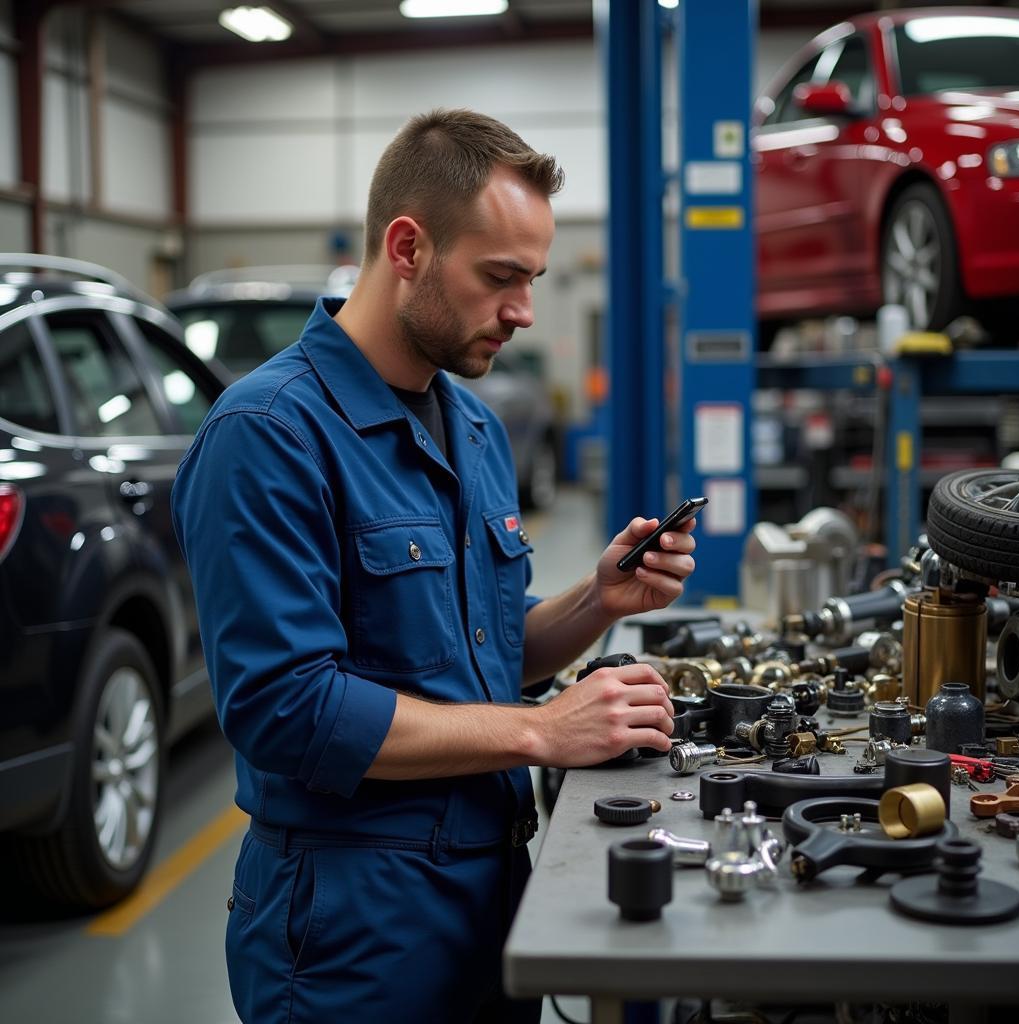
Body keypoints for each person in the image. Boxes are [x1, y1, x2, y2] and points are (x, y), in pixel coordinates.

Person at [171, 108, 697, 1024]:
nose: (524, 311)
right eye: (500, 277)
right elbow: (286, 710)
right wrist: (541, 733)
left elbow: (479, 652)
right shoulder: (268, 436)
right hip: (350, 928)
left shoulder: (474, 424)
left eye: (531, 279)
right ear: (407, 246)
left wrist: (596, 601)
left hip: (488, 894)